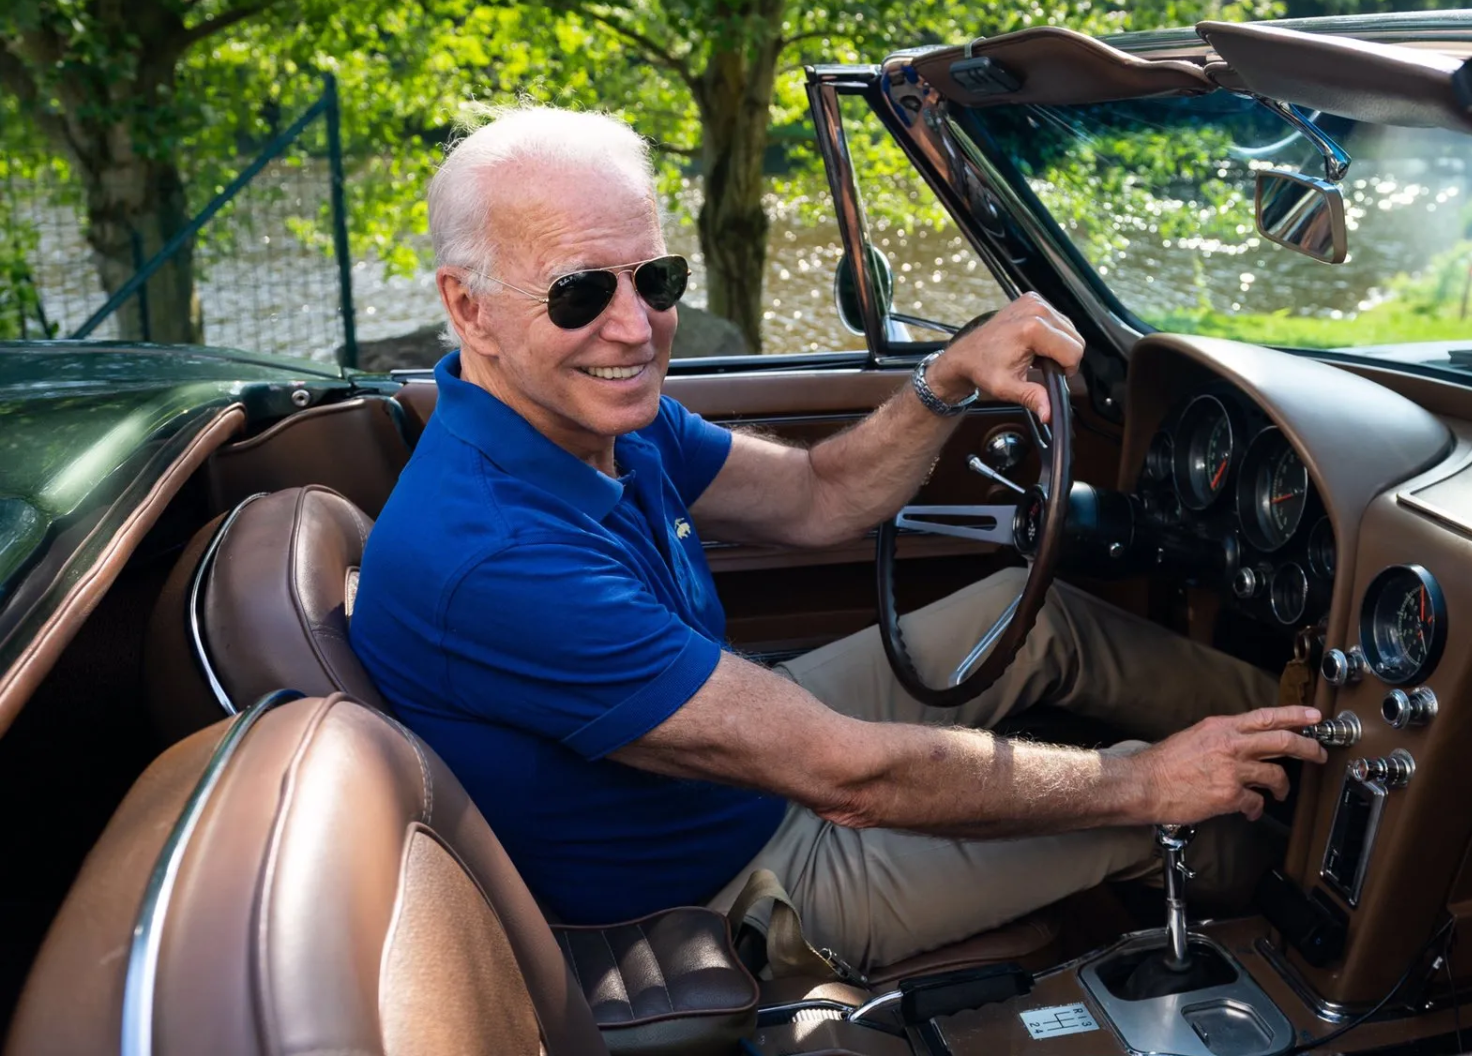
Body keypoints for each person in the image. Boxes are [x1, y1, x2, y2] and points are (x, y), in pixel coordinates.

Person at [350, 105, 1327, 974]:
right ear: (466, 307)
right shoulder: (492, 557)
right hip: (731, 879)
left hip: (740, 767)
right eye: (577, 295)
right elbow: (848, 775)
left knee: (1033, 621)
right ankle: (1328, 918)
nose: (635, 328)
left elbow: (818, 497)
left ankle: (1314, 734)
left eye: (655, 277)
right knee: (1181, 824)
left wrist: (944, 380)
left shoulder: (596, 418)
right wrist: (1147, 779)